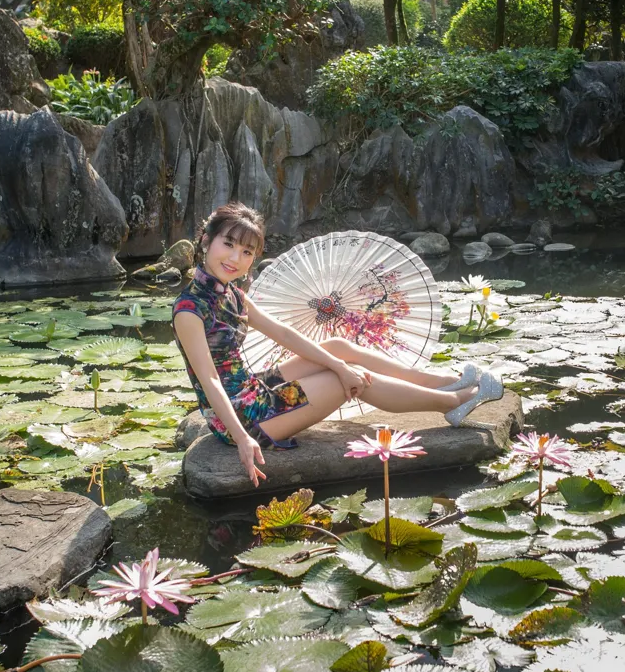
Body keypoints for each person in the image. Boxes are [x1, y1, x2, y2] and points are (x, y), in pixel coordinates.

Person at [171, 202, 504, 486]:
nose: (235, 258)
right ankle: (453, 402)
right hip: (241, 418)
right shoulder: (190, 310)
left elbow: (284, 334)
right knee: (343, 380)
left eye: (246, 252)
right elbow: (210, 379)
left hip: (253, 390)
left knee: (337, 349)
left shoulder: (232, 294)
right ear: (206, 240)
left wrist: (339, 363)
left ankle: (444, 383)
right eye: (228, 244)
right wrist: (243, 439)